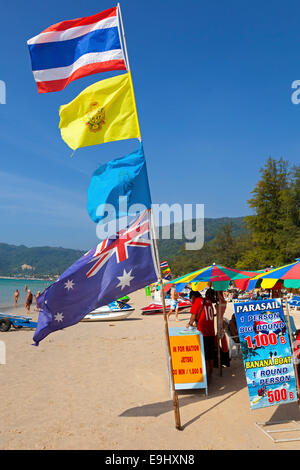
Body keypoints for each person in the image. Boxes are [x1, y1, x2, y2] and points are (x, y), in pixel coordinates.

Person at [186, 290, 215, 383]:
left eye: (191, 298)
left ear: (193, 296)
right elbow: (204, 317)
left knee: (205, 356)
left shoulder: (198, 301)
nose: (191, 301)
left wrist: (189, 324)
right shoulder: (208, 301)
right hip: (211, 331)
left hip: (204, 333)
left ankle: (207, 379)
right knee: (210, 356)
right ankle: (211, 375)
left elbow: (193, 315)